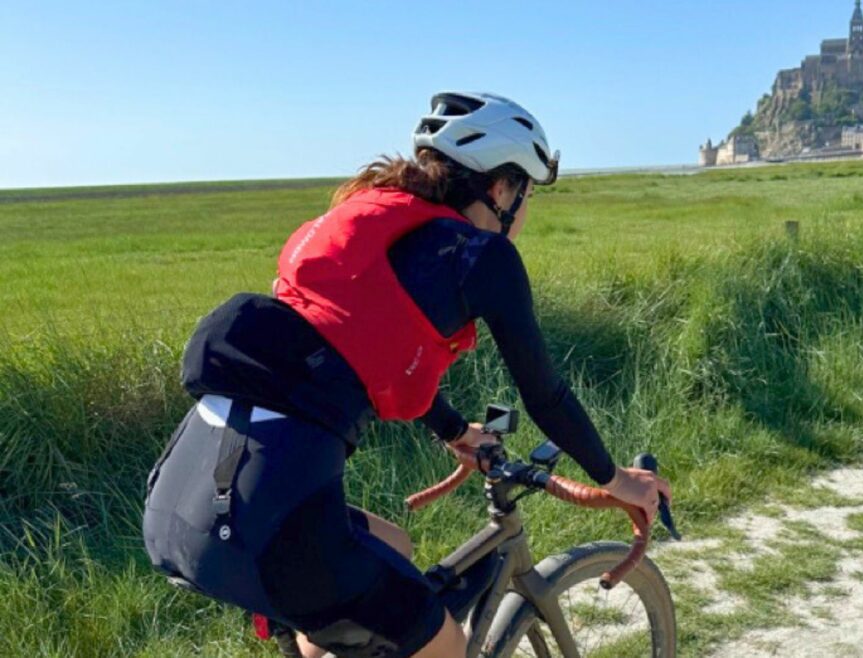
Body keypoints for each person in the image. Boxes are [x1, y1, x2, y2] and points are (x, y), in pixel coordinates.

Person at [142, 91, 671, 658]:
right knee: (442, 645)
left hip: (184, 496)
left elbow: (365, 345)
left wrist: (455, 431)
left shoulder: (377, 223)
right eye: (529, 192)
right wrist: (616, 480)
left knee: (389, 547)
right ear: (501, 188)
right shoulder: (481, 257)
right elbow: (545, 393)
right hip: (269, 520)